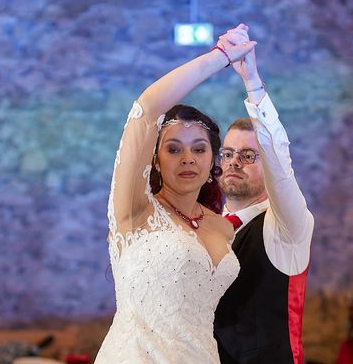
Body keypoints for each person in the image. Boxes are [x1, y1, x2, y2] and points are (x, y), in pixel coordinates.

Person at [95, 24, 257, 363]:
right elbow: (146, 108)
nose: (187, 158)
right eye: (173, 149)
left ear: (214, 159)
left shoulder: (222, 227)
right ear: (155, 161)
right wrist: (221, 57)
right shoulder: (136, 208)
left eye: (199, 149)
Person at [213, 36, 314, 364]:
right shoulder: (208, 228)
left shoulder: (287, 227)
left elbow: (281, 168)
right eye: (227, 153)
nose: (233, 162)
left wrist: (252, 83)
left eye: (247, 155)